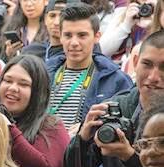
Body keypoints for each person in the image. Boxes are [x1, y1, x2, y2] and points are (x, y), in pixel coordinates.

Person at [62, 29, 164, 167]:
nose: (153, 77)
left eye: (163, 68)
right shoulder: (116, 107)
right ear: (135, 62)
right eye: (147, 64)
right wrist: (82, 139)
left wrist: (129, 157)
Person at [46, 3, 133, 133]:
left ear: (97, 36)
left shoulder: (116, 80)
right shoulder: (43, 74)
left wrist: (89, 130)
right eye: (68, 35)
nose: (74, 43)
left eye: (82, 35)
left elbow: (127, 126)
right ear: (60, 36)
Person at [0, 54, 71, 167]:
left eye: (23, 84)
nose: (12, 88)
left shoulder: (52, 126)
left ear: (37, 91)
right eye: (7, 80)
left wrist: (9, 128)